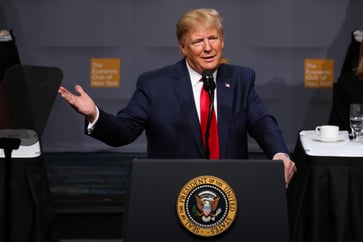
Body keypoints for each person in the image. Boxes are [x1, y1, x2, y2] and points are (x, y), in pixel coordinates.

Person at [58, 8, 296, 188]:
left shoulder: (241, 79)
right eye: (197, 41)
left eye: (213, 38)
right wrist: (93, 114)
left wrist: (280, 154)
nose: (208, 48)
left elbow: (262, 122)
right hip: (174, 190)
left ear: (222, 41)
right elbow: (124, 131)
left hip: (230, 188)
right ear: (183, 48)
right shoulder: (155, 85)